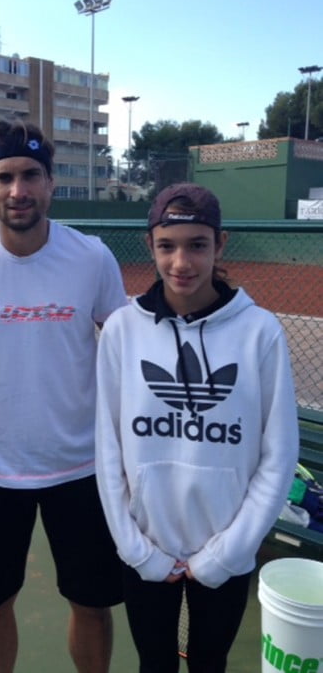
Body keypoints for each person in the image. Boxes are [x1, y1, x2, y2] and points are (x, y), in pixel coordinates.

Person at [0, 119, 128, 673]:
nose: (17, 190)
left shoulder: (91, 257)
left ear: (50, 184)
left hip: (81, 466)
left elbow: (122, 348)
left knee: (92, 603)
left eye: (30, 176)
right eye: (4, 178)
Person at [95, 182, 299, 673]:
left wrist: (229, 552)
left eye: (197, 245)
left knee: (210, 662)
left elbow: (279, 453)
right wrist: (135, 549)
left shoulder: (260, 332)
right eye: (167, 246)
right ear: (150, 246)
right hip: (146, 547)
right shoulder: (123, 330)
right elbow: (107, 447)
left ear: (220, 245)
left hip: (226, 551)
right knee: (154, 663)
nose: (181, 262)